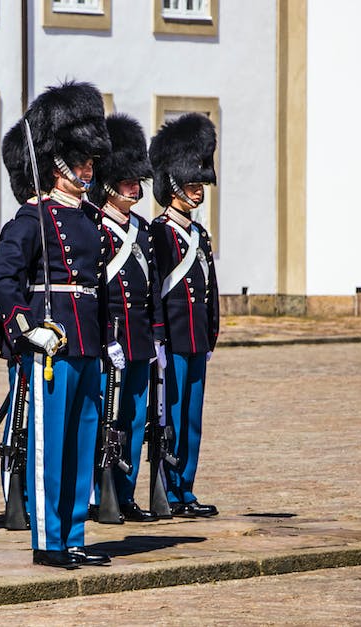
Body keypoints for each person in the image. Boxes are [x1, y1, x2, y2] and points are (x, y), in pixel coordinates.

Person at [0, 80, 113, 568]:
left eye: (89, 162)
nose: (87, 170)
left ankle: (75, 532)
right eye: (79, 162)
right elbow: (2, 279)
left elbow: (94, 285)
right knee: (51, 448)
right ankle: (49, 539)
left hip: (85, 342)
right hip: (50, 345)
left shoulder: (88, 218)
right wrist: (23, 327)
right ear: (57, 164)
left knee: (83, 444)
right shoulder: (31, 219)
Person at [87, 113, 161, 523]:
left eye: (138, 182)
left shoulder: (144, 230)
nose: (135, 189)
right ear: (110, 183)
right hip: (109, 338)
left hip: (138, 338)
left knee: (132, 418)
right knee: (105, 418)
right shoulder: (95, 227)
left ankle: (125, 493)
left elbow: (149, 290)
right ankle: (101, 493)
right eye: (128, 181)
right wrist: (103, 339)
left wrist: (154, 338)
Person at [148, 112, 220, 518]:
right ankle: (168, 489)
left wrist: (212, 333)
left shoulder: (198, 235)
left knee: (192, 417)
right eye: (192, 184)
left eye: (200, 183)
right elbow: (154, 288)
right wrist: (158, 336)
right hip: (172, 337)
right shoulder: (160, 233)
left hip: (195, 337)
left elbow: (208, 290)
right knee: (170, 416)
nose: (198, 190)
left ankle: (186, 487)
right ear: (172, 185)